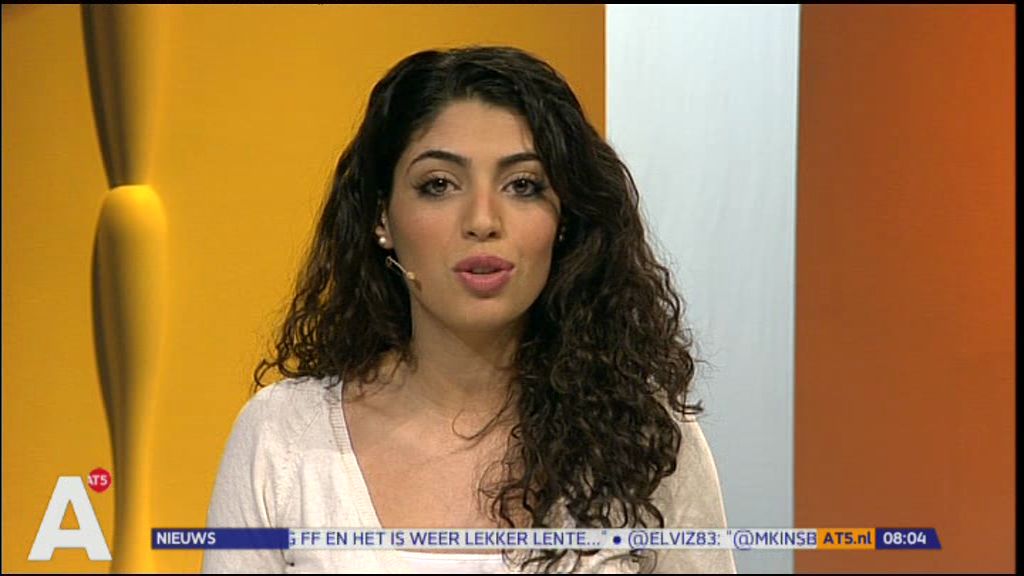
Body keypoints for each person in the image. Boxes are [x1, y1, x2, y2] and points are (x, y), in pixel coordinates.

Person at [202, 45, 736, 574]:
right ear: (381, 217)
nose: (483, 220)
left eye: (522, 185)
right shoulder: (283, 437)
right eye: (439, 185)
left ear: (565, 219)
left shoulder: (644, 436)